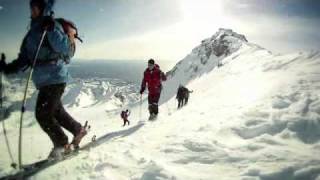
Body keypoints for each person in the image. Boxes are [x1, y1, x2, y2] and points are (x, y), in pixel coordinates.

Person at [0, 0, 87, 159]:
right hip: (44, 80)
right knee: (56, 112)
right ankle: (78, 130)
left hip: (55, 76)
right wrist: (7, 68)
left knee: (43, 114)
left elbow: (65, 48)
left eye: (35, 7)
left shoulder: (52, 26)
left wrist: (52, 29)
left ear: (42, 8)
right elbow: (24, 59)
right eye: (31, 7)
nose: (32, 10)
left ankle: (62, 144)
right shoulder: (31, 33)